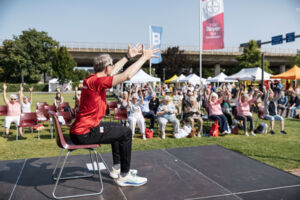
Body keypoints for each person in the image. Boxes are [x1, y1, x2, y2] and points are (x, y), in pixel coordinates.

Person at [70, 43, 159, 187]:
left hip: (81, 130)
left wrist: (127, 57)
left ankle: (117, 169)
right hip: (84, 133)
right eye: (111, 65)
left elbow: (113, 72)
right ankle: (125, 175)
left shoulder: (91, 79)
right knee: (126, 132)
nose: (113, 67)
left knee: (118, 129)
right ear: (106, 67)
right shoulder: (98, 82)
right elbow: (127, 75)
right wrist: (144, 57)